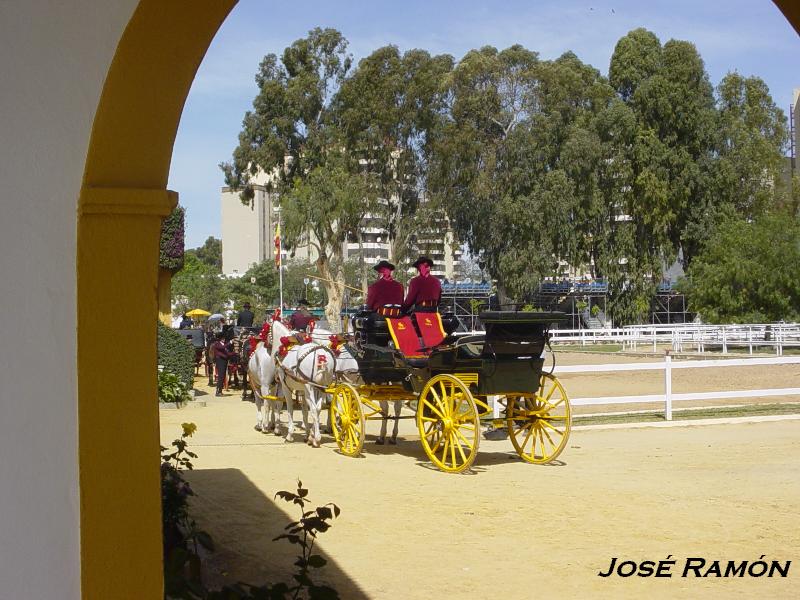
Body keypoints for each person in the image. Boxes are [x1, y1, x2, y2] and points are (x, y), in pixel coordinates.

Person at [211, 332, 233, 397]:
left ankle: (220, 391)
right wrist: (230, 343)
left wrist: (234, 353)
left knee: (222, 376)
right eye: (223, 338)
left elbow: (227, 353)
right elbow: (222, 348)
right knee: (221, 376)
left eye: (224, 338)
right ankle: (218, 391)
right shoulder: (217, 344)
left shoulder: (223, 344)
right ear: (220, 339)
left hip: (224, 361)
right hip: (220, 361)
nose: (224, 339)